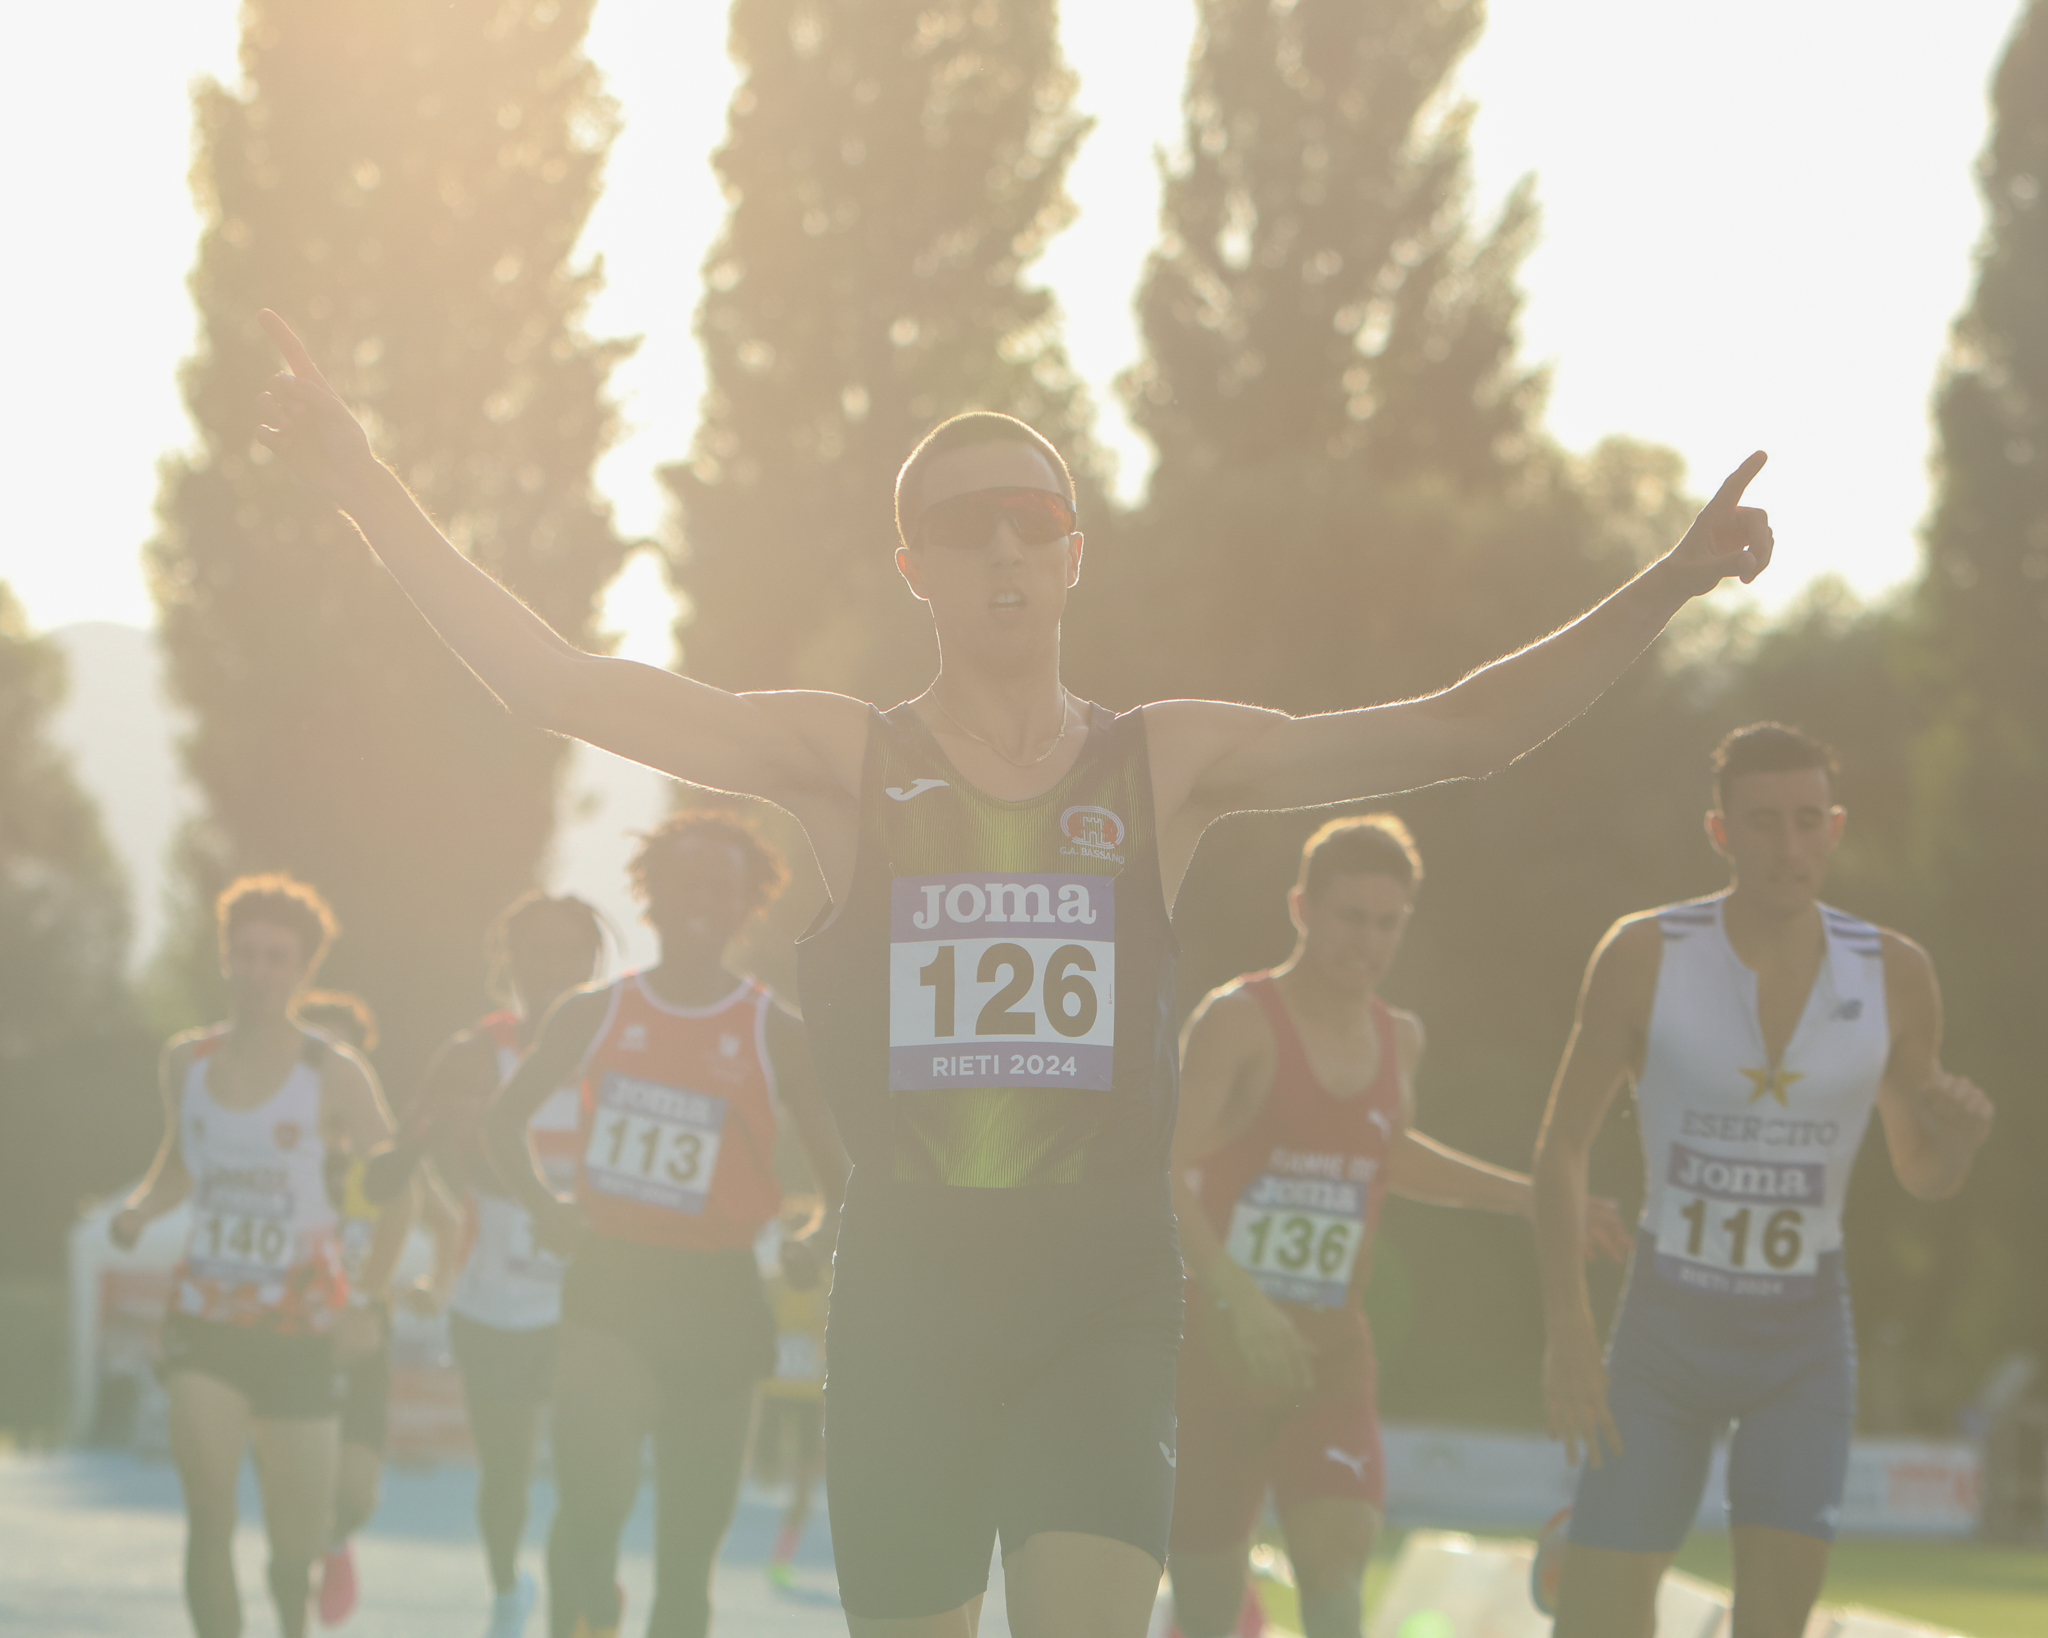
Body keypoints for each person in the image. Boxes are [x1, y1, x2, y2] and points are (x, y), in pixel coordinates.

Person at [255, 307, 1773, 1638]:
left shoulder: (1164, 761)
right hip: (910, 1294)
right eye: (964, 523)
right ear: (912, 564)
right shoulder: (844, 760)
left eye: (1029, 518)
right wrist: (361, 482)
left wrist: (1668, 582)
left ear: (1071, 551)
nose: (1001, 546)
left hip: (1097, 1291)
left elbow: (1463, 731)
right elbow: (555, 685)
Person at [1530, 724, 1996, 1638]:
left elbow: (1922, 1171)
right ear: (1721, 833)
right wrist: (1569, 1328)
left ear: (1835, 828)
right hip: (1665, 1332)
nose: (1789, 846)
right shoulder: (1644, 953)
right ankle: (1583, 1557)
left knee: (1776, 1620)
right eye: (1763, 822)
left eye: (1807, 821)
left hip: (1800, 1342)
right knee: (1599, 1623)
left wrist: (1959, 1145)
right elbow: (1561, 1146)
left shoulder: (1895, 973)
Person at [1167, 816, 1630, 1638]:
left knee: (1336, 1565)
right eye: (1351, 917)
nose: (1369, 942)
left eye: (1388, 923)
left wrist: (1535, 1198)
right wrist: (1241, 1298)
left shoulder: (1400, 1038)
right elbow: (1162, 1171)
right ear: (1302, 908)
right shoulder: (1238, 1021)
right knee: (1207, 1607)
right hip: (1216, 1351)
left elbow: (1385, 1151)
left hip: (1328, 1357)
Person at [483, 813, 848, 1638]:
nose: (702, 901)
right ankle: (589, 1611)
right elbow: (502, 1122)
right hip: (613, 1282)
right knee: (592, 1514)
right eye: (686, 883)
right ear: (650, 894)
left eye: (722, 888)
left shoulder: (776, 1031)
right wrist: (546, 1208)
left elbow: (843, 1185)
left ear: (747, 906)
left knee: (687, 1566)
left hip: (720, 1297)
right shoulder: (594, 1013)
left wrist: (816, 1241)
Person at [111, 876, 403, 1638]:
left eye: (276, 958)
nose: (257, 972)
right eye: (244, 954)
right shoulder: (187, 1061)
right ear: (224, 959)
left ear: (304, 970)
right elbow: (179, 1166)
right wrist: (140, 1209)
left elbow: (398, 1189)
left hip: (301, 1329)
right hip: (206, 1316)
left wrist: (366, 1301)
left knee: (292, 1551)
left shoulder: (334, 1071)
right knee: (209, 1513)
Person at [377, 891, 609, 1638]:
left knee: (584, 1475)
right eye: (538, 951)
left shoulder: (618, 1046)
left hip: (588, 1299)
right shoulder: (473, 1053)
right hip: (493, 1299)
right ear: (508, 961)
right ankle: (509, 1588)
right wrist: (416, 1160)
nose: (555, 967)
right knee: (506, 1475)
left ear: (594, 961)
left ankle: (572, 1616)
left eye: (572, 952)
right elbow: (396, 1159)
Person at [291, 989, 425, 1627]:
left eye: (340, 1053)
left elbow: (440, 1219)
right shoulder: (278, 1144)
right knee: (297, 1486)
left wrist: (425, 1286)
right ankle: (294, 1587)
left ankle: (338, 1540)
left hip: (364, 1328)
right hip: (289, 1327)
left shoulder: (381, 1156)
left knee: (356, 1490)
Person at [753, 1198, 832, 1591]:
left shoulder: (831, 1288)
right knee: (764, 1476)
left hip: (808, 1400)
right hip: (770, 1396)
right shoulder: (771, 1284)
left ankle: (780, 1559)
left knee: (803, 1487)